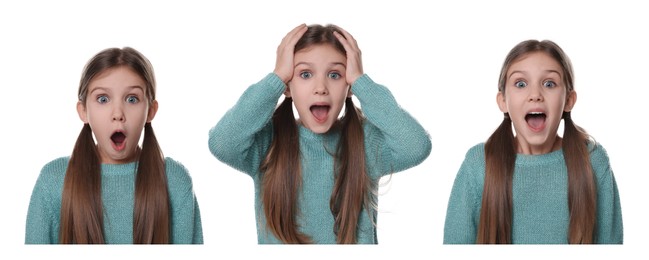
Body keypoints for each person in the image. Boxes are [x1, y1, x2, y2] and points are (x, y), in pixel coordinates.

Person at [208, 24, 431, 244]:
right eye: (305, 74)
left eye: (335, 75)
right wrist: (275, 78)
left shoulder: (364, 143)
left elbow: (416, 146)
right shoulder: (268, 143)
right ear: (287, 86)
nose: (321, 87)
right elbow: (222, 142)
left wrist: (362, 83)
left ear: (349, 86)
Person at [443, 40, 623, 244]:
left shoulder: (593, 161)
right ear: (503, 101)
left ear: (568, 100)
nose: (535, 95)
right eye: (520, 84)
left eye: (549, 84)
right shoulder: (479, 165)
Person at [25, 47, 203, 244]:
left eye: (132, 99)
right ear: (83, 111)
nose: (118, 113)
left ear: (150, 111)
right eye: (103, 99)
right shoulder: (54, 181)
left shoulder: (175, 181)